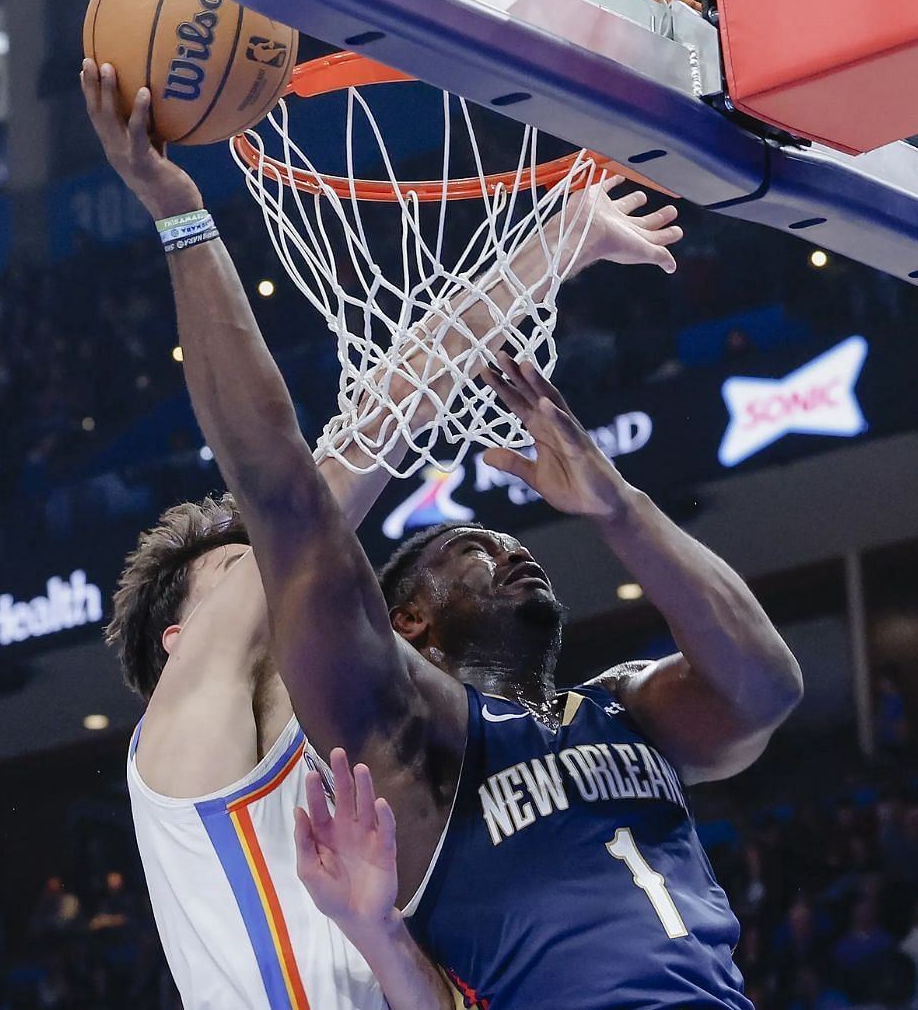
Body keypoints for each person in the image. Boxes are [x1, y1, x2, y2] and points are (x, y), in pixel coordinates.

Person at [91, 66, 801, 1006]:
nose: (272, 574)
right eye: (238, 573)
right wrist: (177, 212)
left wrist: (559, 246)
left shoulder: (392, 773)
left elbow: (346, 449)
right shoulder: (188, 743)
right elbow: (290, 493)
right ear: (181, 643)